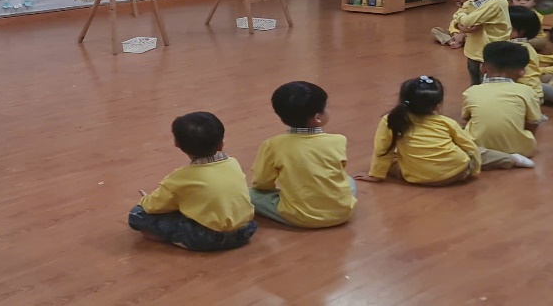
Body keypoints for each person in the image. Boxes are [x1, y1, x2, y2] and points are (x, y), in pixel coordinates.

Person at [129, 112, 257, 251]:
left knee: (137, 214)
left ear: (176, 144)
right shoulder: (233, 162)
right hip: (245, 230)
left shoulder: (180, 177)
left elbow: (152, 206)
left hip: (208, 238)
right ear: (221, 144)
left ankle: (175, 238)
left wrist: (146, 200)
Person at [248, 82, 356, 229]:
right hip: (343, 212)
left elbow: (262, 182)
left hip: (301, 217)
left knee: (249, 194)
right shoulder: (339, 140)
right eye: (327, 107)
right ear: (318, 117)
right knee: (349, 180)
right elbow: (338, 171)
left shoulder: (272, 145)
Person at [355, 76, 484, 186]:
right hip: (457, 173)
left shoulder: (391, 120)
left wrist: (376, 175)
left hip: (416, 177)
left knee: (394, 158)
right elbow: (470, 147)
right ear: (437, 106)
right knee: (475, 151)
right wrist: (474, 171)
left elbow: (383, 149)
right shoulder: (447, 122)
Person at [462, 42, 542, 166]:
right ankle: (510, 156)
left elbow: (467, 118)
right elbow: (533, 123)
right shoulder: (528, 91)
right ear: (522, 71)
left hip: (479, 147)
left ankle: (495, 158)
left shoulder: (471, 92)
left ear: (483, 68)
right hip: (521, 149)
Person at [448, 0, 523, 85]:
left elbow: (468, 20)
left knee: (487, 80)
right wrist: (460, 23)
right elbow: (462, 14)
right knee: (473, 74)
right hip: (474, 48)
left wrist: (461, 19)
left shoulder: (497, 2)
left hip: (489, 50)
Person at [507, 6, 545, 103]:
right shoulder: (523, 45)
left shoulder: (516, 48)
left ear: (520, 31)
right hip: (531, 93)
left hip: (527, 95)